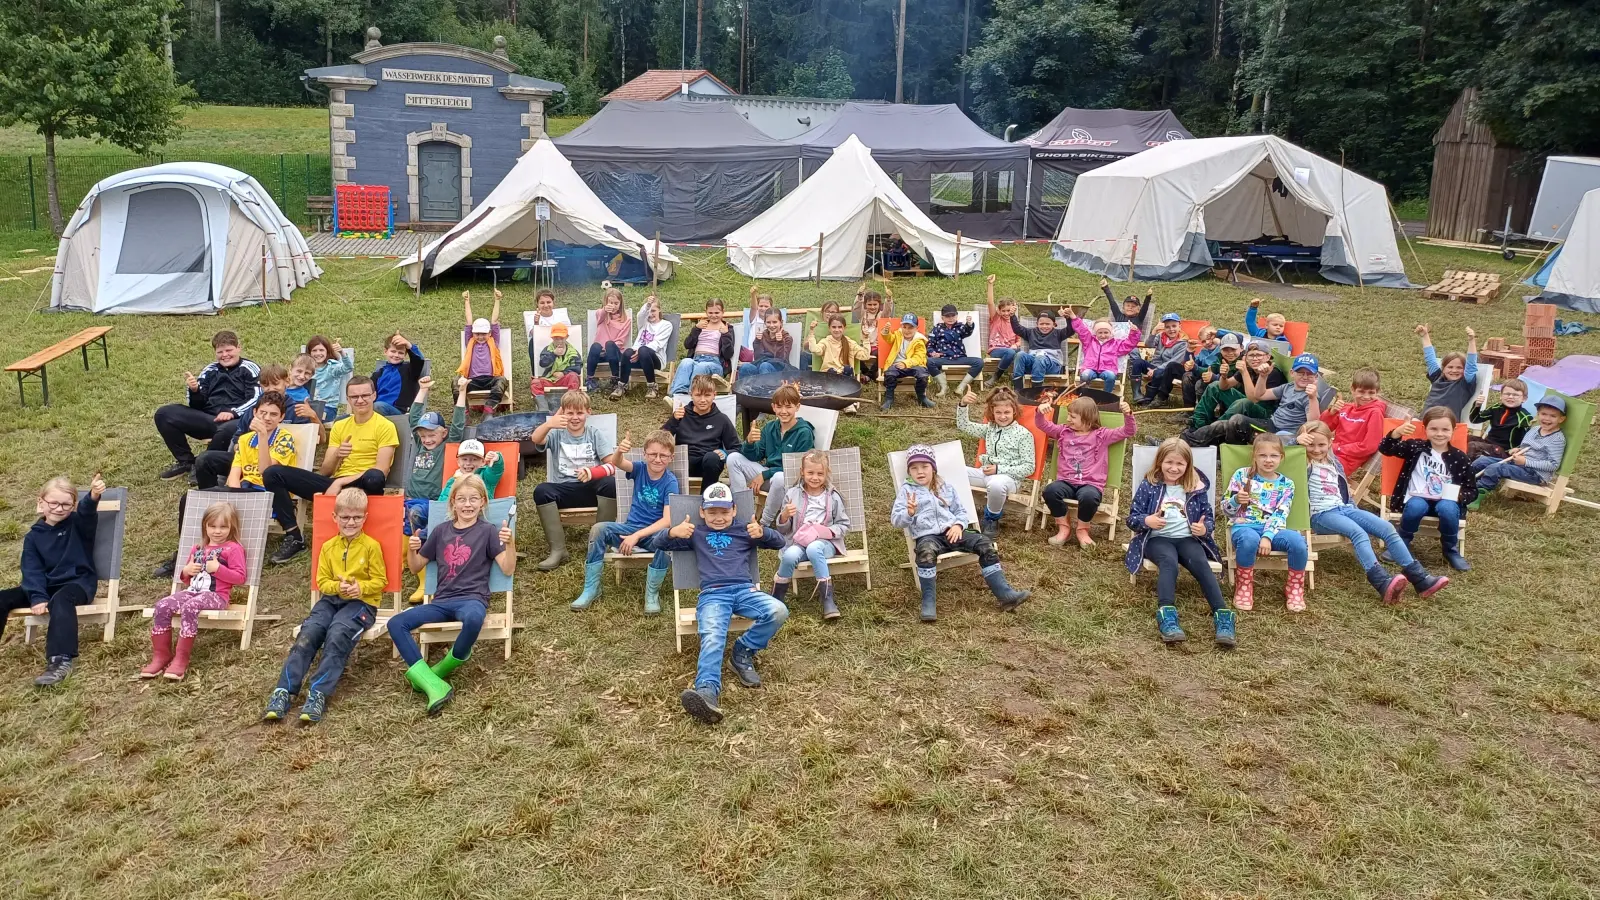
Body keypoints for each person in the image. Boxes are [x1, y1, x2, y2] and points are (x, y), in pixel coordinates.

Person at [655, 484, 788, 724]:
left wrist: (763, 532)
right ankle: (707, 691)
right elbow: (657, 543)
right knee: (714, 635)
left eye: (724, 512)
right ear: (703, 513)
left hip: (745, 591)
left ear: (734, 511)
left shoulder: (745, 531)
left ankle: (742, 652)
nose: (718, 517)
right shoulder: (696, 533)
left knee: (778, 610)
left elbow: (779, 542)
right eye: (712, 512)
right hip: (714, 594)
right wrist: (673, 532)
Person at [388, 475, 515, 716]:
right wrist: (413, 551)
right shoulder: (440, 531)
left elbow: (507, 568)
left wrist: (510, 544)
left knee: (474, 618)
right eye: (462, 499)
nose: (468, 505)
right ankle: (432, 682)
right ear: (453, 503)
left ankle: (435, 674)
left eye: (474, 499)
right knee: (397, 622)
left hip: (472, 598)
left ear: (483, 503)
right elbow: (416, 567)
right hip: (442, 601)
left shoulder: (488, 531)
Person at [263, 488, 387, 724]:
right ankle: (284, 691)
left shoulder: (371, 546)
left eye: (357, 517)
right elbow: (322, 582)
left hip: (361, 604)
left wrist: (360, 588)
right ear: (335, 518)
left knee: (338, 634)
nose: (351, 522)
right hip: (331, 600)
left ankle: (318, 693)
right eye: (345, 517)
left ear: (365, 517)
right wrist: (337, 588)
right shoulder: (329, 547)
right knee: (308, 634)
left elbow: (379, 581)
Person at [155, 390, 300, 580]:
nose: (267, 418)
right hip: (243, 492)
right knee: (189, 499)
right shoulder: (245, 439)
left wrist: (264, 437)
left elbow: (267, 472)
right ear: (255, 412)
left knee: (212, 500)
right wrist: (231, 498)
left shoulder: (285, 439)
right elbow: (234, 474)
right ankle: (184, 555)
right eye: (263, 413)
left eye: (273, 414)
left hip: (267, 495)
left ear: (281, 417)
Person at [1298, 421, 1447, 602]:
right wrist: (1296, 443)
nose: (1316, 449)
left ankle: (1421, 579)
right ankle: (1382, 582)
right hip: (1321, 515)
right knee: (1358, 533)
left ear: (1330, 442)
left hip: (1345, 508)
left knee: (1387, 528)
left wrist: (1354, 510)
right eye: (1310, 444)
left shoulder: (1332, 461)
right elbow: (1283, 457)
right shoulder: (1302, 462)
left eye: (1321, 444)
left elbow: (1342, 488)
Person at [264, 376, 399, 564]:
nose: (360, 400)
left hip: (364, 487)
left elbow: (381, 471)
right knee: (272, 473)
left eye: (365, 395)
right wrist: (337, 455)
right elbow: (326, 470)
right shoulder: (341, 425)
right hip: (335, 486)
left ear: (374, 395)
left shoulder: (385, 426)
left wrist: (341, 481)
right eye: (354, 397)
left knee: (374, 477)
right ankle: (293, 535)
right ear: (348, 399)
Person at [891, 443, 1030, 623]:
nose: (920, 471)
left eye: (925, 466)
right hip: (928, 536)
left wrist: (957, 525)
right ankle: (928, 601)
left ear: (933, 468)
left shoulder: (944, 487)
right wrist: (909, 513)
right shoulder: (907, 491)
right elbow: (896, 520)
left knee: (984, 543)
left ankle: (1005, 595)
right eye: (914, 468)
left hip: (953, 532)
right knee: (925, 552)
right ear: (909, 471)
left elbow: (961, 512)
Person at [1123, 438, 1233, 647]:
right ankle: (1167, 614)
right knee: (1168, 562)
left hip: (1187, 538)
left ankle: (1223, 615)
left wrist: (1204, 528)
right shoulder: (1150, 485)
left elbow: (1208, 517)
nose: (1174, 468)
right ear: (1160, 463)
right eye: (1169, 463)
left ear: (1188, 465)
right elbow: (1132, 518)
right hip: (1157, 539)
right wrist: (1148, 520)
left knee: (1200, 562)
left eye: (1180, 464)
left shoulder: (1195, 487)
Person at [0, 473, 106, 686]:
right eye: (54, 503)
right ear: (41, 502)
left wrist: (93, 495)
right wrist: (37, 596)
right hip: (45, 585)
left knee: (60, 599)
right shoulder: (33, 537)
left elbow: (86, 511)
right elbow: (32, 570)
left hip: (77, 583)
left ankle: (60, 661)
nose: (59, 508)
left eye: (66, 505)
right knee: (3, 598)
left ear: (73, 505)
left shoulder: (78, 523)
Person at [571, 429, 678, 614]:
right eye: (653, 454)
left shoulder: (670, 481)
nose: (657, 459)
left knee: (666, 538)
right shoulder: (639, 469)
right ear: (644, 454)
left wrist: (636, 536)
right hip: (629, 528)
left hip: (651, 535)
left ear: (671, 457)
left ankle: (652, 594)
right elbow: (617, 462)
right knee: (599, 529)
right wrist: (620, 451)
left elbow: (668, 520)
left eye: (663, 455)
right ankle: (591, 589)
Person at [141, 502, 246, 682]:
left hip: (217, 596)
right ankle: (161, 656)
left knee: (190, 607)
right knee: (162, 605)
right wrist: (186, 571)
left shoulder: (233, 548)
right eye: (212, 526)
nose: (217, 531)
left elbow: (240, 577)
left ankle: (181, 658)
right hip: (193, 592)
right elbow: (187, 579)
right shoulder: (198, 549)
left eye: (223, 527)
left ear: (231, 527)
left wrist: (218, 569)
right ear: (205, 526)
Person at [153, 330, 261, 480]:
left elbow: (257, 399)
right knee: (164, 413)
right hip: (209, 419)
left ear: (238, 348)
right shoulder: (210, 369)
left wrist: (233, 412)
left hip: (237, 421)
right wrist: (195, 390)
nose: (225, 355)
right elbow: (196, 406)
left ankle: (203, 465)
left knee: (226, 428)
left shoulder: (250, 368)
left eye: (229, 350)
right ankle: (186, 462)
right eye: (220, 352)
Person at [1379, 407, 1476, 572]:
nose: (1439, 433)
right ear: (1425, 429)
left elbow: (1472, 489)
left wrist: (1459, 496)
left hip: (1446, 501)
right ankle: (1401, 542)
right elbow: (1386, 449)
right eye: (1434, 428)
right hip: (1416, 499)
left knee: (1447, 507)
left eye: (1445, 429)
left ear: (1454, 430)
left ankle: (1450, 549)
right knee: (1416, 506)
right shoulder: (1415, 447)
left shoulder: (1460, 458)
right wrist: (1397, 432)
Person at [1035, 393, 1137, 547]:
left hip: (1090, 483)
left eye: (1072, 417)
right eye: (1068, 415)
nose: (1068, 419)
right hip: (1066, 481)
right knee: (1050, 491)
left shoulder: (1102, 435)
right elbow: (1042, 425)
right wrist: (1040, 412)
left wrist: (1128, 414)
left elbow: (1128, 431)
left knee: (1089, 497)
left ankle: (1082, 530)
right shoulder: (1063, 432)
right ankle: (1064, 527)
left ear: (1087, 419)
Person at [1220, 433, 1308, 611]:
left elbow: (1281, 514)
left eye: (1274, 456)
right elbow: (1225, 511)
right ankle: (1244, 585)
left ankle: (1295, 588)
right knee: (1249, 540)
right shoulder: (1242, 476)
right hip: (1244, 525)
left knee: (1298, 542)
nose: (1268, 460)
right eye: (1263, 455)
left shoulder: (1287, 484)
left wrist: (1267, 536)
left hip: (1274, 530)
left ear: (1281, 458)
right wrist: (1236, 500)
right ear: (1254, 456)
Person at [531, 390, 618, 570]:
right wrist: (549, 425)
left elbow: (613, 464)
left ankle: (599, 543)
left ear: (588, 412)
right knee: (541, 490)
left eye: (580, 412)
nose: (575, 417)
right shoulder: (556, 433)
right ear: (562, 413)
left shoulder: (594, 433)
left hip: (590, 489)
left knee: (611, 483)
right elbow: (536, 439)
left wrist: (593, 472)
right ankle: (558, 550)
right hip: (564, 491)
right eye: (570, 413)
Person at [763, 449, 850, 620]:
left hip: (826, 544)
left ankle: (827, 599)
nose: (815, 477)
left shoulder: (832, 497)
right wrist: (785, 516)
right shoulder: (792, 494)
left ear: (826, 474)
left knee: (814, 548)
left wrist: (827, 531)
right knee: (789, 555)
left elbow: (844, 525)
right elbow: (783, 529)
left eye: (820, 473)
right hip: (799, 542)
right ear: (802, 472)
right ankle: (777, 600)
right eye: (810, 473)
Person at [1185, 353, 1321, 446]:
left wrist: (1312, 398)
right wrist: (1263, 377)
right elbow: (1260, 395)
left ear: (1316, 377)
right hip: (1271, 423)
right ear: (1292, 373)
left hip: (1283, 434)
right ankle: (1189, 440)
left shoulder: (1310, 395)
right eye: (1300, 373)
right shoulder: (1289, 387)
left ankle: (1230, 452)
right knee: (1224, 424)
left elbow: (1313, 423)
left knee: (1236, 421)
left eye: (1309, 374)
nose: (1305, 377)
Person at [955, 386, 1037, 538]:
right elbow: (963, 425)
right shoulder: (990, 429)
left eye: (1007, 412)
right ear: (992, 412)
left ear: (1014, 412)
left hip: (1009, 479)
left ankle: (991, 518)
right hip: (985, 473)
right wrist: (963, 404)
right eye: (998, 412)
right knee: (955, 471)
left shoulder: (1024, 435)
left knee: (996, 484)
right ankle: (960, 512)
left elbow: (1029, 467)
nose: (1003, 416)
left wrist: (998, 469)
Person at [1469, 394, 1568, 509]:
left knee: (1496, 468)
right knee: (1482, 461)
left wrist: (1525, 462)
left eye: (1553, 416)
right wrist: (1518, 449)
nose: (1546, 418)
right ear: (1538, 414)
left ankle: (1475, 497)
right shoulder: (1535, 429)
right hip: (1520, 464)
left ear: (1561, 419)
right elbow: (1527, 446)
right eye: (1543, 414)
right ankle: (1467, 485)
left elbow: (1553, 465)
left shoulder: (1557, 439)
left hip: (1535, 474)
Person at [402, 375, 467, 539]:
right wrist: (423, 390)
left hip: (431, 502)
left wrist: (462, 391)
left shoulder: (447, 446)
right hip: (409, 498)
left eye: (431, 435)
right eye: (423, 436)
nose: (427, 440)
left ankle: (421, 539)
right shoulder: (419, 443)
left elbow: (458, 424)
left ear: (444, 433)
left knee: (415, 515)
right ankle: (417, 535)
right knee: (396, 514)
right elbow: (413, 419)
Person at [727, 382, 814, 500]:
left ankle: (766, 519)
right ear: (773, 407)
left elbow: (798, 468)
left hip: (789, 480)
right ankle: (742, 510)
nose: (783, 411)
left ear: (797, 407)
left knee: (779, 477)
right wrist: (749, 443)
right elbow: (755, 456)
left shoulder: (804, 433)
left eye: (788, 407)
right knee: (733, 458)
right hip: (769, 476)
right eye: (779, 407)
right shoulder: (770, 427)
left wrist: (765, 474)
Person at [663, 375, 741, 486]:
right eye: (698, 395)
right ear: (691, 395)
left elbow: (737, 449)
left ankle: (706, 498)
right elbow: (659, 440)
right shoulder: (681, 415)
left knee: (712, 458)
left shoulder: (722, 419)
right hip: (683, 463)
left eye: (707, 395)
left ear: (714, 395)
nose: (703, 400)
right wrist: (673, 420)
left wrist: (724, 453)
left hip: (709, 464)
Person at [1319, 368, 1387, 474]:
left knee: (1312, 469)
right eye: (1361, 391)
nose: (1366, 396)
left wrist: (1338, 448)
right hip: (1330, 451)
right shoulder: (1346, 408)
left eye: (1371, 393)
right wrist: (1331, 413)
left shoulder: (1375, 413)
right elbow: (1322, 429)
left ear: (1377, 392)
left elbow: (1369, 446)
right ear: (1352, 389)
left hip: (1347, 460)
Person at [1066, 309, 1142, 395]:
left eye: (1106, 332)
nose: (1103, 335)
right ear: (1095, 333)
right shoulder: (1089, 341)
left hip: (1107, 369)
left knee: (1111, 376)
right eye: (1100, 333)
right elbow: (1082, 330)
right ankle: (1084, 393)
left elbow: (1129, 344)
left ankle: (1106, 395)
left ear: (1110, 332)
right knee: (1085, 375)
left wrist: (1134, 332)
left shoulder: (1116, 344)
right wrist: (1073, 317)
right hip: (1090, 369)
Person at [669, 298, 734, 397]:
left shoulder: (727, 328)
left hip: (714, 363)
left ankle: (692, 396)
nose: (714, 315)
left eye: (717, 312)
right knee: (685, 362)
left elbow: (728, 354)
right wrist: (696, 329)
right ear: (706, 312)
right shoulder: (701, 325)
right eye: (710, 312)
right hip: (696, 359)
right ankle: (677, 395)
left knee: (701, 367)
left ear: (723, 312)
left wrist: (725, 335)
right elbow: (687, 345)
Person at [459, 290, 508, 416]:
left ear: (490, 333)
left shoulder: (494, 341)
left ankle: (489, 408)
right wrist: (466, 302)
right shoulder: (470, 341)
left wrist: (497, 300)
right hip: (472, 380)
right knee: (456, 382)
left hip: (491, 378)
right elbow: (469, 321)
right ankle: (462, 411)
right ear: (473, 334)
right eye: (477, 334)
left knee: (502, 380)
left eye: (483, 334)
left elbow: (494, 320)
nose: (480, 336)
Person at [617, 295, 672, 400]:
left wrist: (639, 352)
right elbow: (640, 315)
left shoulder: (666, 325)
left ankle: (652, 386)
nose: (651, 314)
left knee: (643, 350)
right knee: (627, 352)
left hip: (655, 360)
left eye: (654, 311)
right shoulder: (644, 323)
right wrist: (647, 305)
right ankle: (622, 385)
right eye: (649, 311)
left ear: (659, 310)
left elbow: (657, 343)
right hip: (638, 357)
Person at [1131, 313, 1192, 407]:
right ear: (1164, 328)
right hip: (1154, 366)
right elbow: (1148, 345)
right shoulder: (1161, 336)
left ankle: (1148, 398)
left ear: (1180, 326)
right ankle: (1137, 394)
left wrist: (1156, 369)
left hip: (1168, 370)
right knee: (1137, 362)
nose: (1171, 329)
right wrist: (1154, 331)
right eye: (1167, 327)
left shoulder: (1183, 343)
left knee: (1158, 372)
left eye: (1174, 326)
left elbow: (1176, 361)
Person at [1187, 334, 1245, 429]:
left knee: (1214, 386)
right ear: (1220, 349)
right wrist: (1194, 367)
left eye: (1233, 349)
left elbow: (1236, 384)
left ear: (1241, 348)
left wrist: (1214, 377)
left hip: (1241, 399)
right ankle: (1199, 420)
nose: (1229, 353)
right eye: (1225, 350)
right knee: (1198, 381)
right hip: (1229, 397)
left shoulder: (1244, 362)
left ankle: (1204, 424)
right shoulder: (1220, 359)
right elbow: (1210, 370)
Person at [1417, 323, 1478, 415]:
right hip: (1425, 421)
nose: (1454, 370)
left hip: (1447, 425)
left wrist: (1471, 341)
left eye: (1459, 368)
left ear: (1465, 370)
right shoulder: (1437, 377)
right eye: (1450, 367)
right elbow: (1430, 360)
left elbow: (1471, 365)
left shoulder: (1464, 383)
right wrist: (1425, 336)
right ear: (1443, 369)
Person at [1467, 377, 1533, 460]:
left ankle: (1467, 470)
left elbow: (1529, 440)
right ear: (1501, 396)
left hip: (1504, 451)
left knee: (1473, 446)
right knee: (1464, 438)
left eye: (1515, 395)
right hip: (1488, 443)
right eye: (1507, 394)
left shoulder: (1525, 417)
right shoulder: (1495, 408)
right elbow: (1474, 420)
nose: (1511, 397)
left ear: (1524, 399)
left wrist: (1514, 451)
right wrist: (1477, 406)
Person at [927, 304, 983, 397]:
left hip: (959, 358)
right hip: (944, 358)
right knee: (929, 361)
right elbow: (929, 345)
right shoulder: (937, 328)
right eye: (947, 316)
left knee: (979, 362)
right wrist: (933, 353)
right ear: (942, 317)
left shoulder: (960, 327)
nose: (950, 318)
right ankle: (944, 387)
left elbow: (967, 331)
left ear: (957, 316)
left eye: (953, 315)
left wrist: (969, 324)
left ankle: (961, 387)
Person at [881, 313, 934, 409]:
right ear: (901, 327)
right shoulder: (898, 334)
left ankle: (921, 397)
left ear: (916, 328)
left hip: (914, 365)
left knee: (923, 375)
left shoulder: (919, 341)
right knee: (890, 373)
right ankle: (889, 398)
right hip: (897, 365)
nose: (907, 330)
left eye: (910, 327)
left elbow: (918, 357)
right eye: (904, 327)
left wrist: (906, 363)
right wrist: (886, 331)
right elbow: (889, 339)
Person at [587, 286, 632, 394]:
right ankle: (590, 379)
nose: (613, 306)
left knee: (610, 344)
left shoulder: (626, 320)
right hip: (600, 354)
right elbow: (600, 313)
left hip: (615, 354)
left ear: (620, 304)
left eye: (616, 303)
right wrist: (604, 310)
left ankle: (615, 378)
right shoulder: (601, 315)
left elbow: (621, 341)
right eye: (610, 303)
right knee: (595, 346)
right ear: (606, 302)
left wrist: (608, 348)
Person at [1009, 306, 1067, 390]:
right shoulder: (1031, 332)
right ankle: (1018, 389)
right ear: (1037, 324)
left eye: (1047, 324)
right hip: (1034, 362)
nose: (1044, 326)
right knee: (1020, 355)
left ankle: (1035, 391)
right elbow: (1017, 329)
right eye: (1041, 324)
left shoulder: (1058, 333)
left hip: (1052, 365)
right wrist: (1012, 316)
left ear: (1054, 324)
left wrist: (1068, 318)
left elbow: (1070, 330)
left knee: (1040, 358)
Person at [372, 332, 426, 417]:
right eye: (393, 351)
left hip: (399, 413)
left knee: (378, 406)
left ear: (405, 355)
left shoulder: (409, 370)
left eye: (400, 353)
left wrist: (409, 345)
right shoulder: (377, 375)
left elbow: (419, 360)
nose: (396, 355)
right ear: (385, 351)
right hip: (376, 411)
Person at [532, 322, 582, 412]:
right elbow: (543, 363)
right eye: (556, 338)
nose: (559, 341)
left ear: (567, 337)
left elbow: (577, 368)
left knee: (573, 377)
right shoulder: (547, 350)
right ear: (552, 338)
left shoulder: (573, 352)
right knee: (535, 382)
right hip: (549, 379)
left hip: (565, 379)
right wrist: (553, 354)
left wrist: (563, 373)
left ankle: (570, 405)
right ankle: (543, 409)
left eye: (561, 338)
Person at [806, 313, 871, 377]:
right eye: (834, 327)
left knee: (848, 369)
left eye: (840, 327)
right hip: (829, 376)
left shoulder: (850, 343)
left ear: (844, 328)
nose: (837, 330)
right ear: (829, 328)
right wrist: (811, 332)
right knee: (831, 371)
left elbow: (865, 356)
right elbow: (814, 349)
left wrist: (866, 339)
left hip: (845, 377)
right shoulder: (826, 342)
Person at [738, 307, 793, 379]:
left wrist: (780, 343)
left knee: (765, 366)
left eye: (774, 322)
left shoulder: (787, 338)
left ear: (781, 322)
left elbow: (782, 359)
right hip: (761, 366)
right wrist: (757, 341)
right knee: (745, 367)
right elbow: (758, 357)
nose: (771, 325)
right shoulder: (763, 336)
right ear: (764, 323)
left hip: (779, 370)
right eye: (768, 322)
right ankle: (745, 389)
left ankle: (766, 389)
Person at [985, 275, 1022, 380]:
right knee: (1010, 352)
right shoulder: (996, 319)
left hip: (1010, 349)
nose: (1006, 313)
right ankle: (996, 376)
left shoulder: (1015, 323)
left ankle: (1017, 377)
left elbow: (1019, 341)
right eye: (1004, 311)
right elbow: (990, 303)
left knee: (1021, 353)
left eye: (1009, 310)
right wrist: (990, 284)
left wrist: (1016, 345)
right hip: (996, 349)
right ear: (999, 311)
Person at [305, 335, 350, 417]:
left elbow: (348, 368)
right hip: (309, 406)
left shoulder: (332, 367)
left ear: (327, 351)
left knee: (312, 416)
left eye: (321, 350)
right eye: (314, 350)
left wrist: (341, 353)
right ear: (309, 353)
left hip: (328, 408)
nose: (318, 353)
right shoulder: (305, 369)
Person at [1180, 326, 1223, 409]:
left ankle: (1202, 410)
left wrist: (1218, 334)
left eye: (1210, 338)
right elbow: (1192, 363)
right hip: (1202, 374)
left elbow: (1237, 336)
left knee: (1200, 383)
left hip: (1216, 376)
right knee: (1187, 375)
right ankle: (1188, 408)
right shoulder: (1203, 351)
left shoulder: (1222, 348)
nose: (1207, 342)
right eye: (1203, 341)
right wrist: (1189, 352)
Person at [526, 287, 564, 372]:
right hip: (541, 345)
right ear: (537, 304)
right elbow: (533, 335)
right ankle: (536, 373)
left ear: (553, 303)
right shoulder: (531, 317)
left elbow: (569, 332)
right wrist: (536, 323)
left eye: (549, 302)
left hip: (559, 344)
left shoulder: (561, 316)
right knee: (532, 342)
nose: (546, 305)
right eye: (542, 303)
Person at [855, 289, 888, 383]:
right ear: (865, 305)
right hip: (862, 344)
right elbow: (857, 308)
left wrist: (889, 299)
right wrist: (860, 297)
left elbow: (888, 310)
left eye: (875, 304)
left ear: (879, 305)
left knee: (882, 353)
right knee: (853, 352)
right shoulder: (862, 314)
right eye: (869, 304)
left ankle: (868, 376)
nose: (872, 307)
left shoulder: (882, 315)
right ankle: (868, 373)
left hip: (876, 345)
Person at [798, 301, 842, 371]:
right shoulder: (816, 326)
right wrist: (812, 331)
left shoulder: (840, 327)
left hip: (834, 357)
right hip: (817, 355)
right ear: (822, 313)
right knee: (802, 356)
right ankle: (804, 379)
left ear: (838, 314)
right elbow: (805, 346)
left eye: (833, 312)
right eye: (827, 311)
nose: (830, 314)